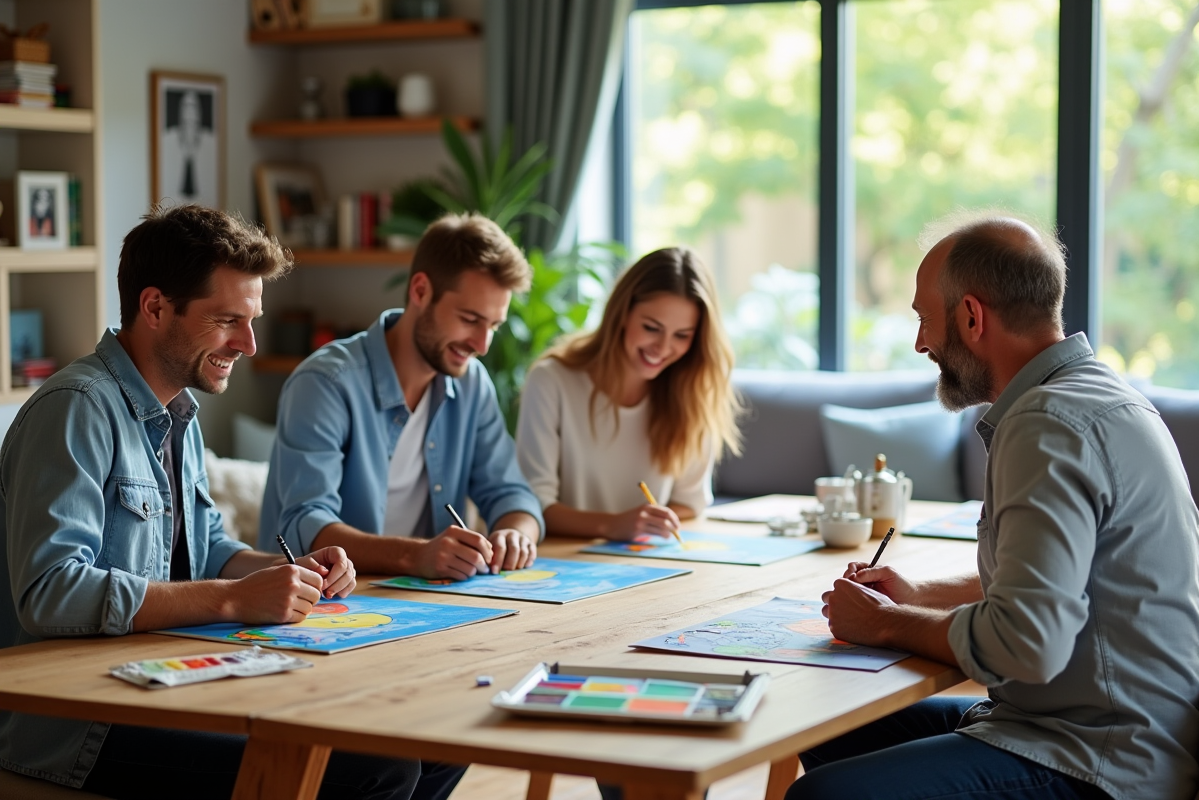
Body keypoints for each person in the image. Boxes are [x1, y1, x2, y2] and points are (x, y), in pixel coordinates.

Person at [0, 205, 463, 799]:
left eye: (251, 320)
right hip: (85, 723)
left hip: (172, 681)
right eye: (226, 320)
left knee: (432, 735)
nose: (246, 343)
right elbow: (50, 593)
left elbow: (209, 546)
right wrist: (233, 599)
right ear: (155, 307)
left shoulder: (179, 415)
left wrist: (284, 571)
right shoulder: (76, 409)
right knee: (380, 769)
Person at [788, 211, 1199, 800]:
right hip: (1092, 730)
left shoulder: (1046, 424)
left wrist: (882, 623)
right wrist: (918, 593)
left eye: (925, 320)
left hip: (1098, 758)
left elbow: (1028, 642)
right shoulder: (1103, 397)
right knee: (828, 720)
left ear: (972, 316)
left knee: (824, 795)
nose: (921, 342)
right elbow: (1055, 583)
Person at [260, 212, 543, 580]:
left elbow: (511, 493)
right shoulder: (325, 383)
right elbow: (307, 525)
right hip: (316, 604)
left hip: (424, 601)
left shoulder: (472, 383)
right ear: (420, 291)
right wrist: (417, 556)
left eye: (493, 325)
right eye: (470, 319)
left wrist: (516, 535)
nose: (482, 345)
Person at [517, 247, 742, 542]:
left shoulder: (692, 391)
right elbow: (534, 505)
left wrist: (646, 523)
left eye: (682, 335)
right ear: (622, 312)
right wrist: (612, 525)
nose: (662, 348)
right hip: (565, 561)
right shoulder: (551, 380)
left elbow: (689, 502)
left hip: (644, 561)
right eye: (651, 328)